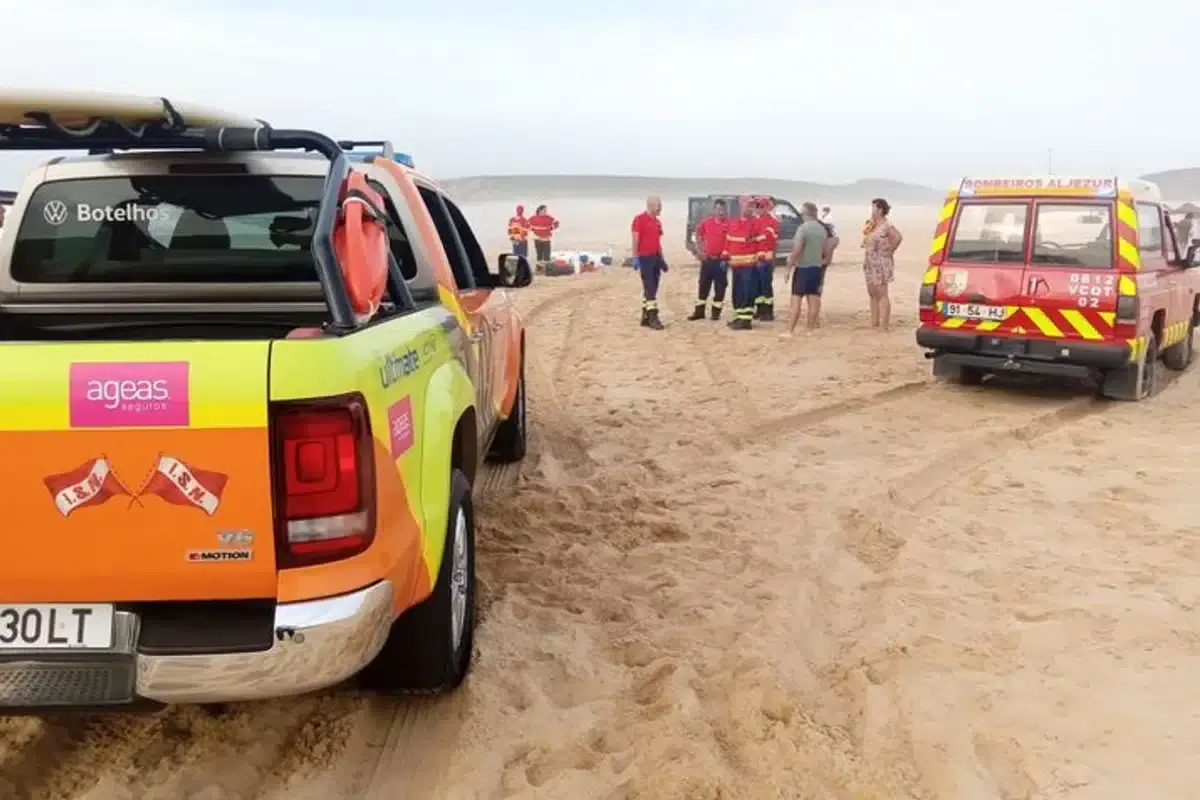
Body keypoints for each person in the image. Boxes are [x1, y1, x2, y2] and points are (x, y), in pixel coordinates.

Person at [782, 202, 829, 337]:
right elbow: (826, 251)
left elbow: (797, 250)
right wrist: (822, 261)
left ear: (806, 214)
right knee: (813, 299)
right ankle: (810, 329)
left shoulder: (803, 229)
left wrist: (789, 266)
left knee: (796, 300)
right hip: (816, 268)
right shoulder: (822, 229)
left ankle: (790, 331)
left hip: (803, 268)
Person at [863, 197, 902, 331]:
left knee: (882, 293)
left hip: (881, 263)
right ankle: (874, 323)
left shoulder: (886, 225)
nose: (871, 210)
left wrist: (890, 251)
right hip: (870, 262)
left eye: (874, 208)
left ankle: (884, 325)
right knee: (872, 292)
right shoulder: (872, 225)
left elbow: (897, 237)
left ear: (880, 210)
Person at [724, 196, 762, 330]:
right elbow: (728, 240)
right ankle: (739, 317)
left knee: (748, 292)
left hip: (749, 265)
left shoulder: (757, 223)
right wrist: (725, 254)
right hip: (736, 265)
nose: (750, 208)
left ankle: (746, 321)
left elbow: (762, 242)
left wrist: (760, 256)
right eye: (748, 205)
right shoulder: (733, 222)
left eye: (752, 206)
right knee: (737, 292)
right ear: (741, 206)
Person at [688, 198, 729, 320]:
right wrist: (699, 252)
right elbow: (698, 235)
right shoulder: (707, 222)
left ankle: (715, 314)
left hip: (721, 261)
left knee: (720, 287)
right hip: (707, 260)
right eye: (718, 209)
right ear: (714, 210)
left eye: (722, 209)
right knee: (703, 286)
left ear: (725, 210)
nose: (720, 212)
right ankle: (699, 312)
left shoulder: (729, 224)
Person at [631, 196, 668, 330]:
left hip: (655, 257)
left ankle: (645, 316)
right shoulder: (639, 219)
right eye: (659, 205)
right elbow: (635, 239)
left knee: (653, 288)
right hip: (645, 258)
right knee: (650, 288)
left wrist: (662, 259)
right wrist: (635, 257)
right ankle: (653, 317)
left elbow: (658, 243)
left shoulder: (657, 222)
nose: (661, 208)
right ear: (651, 205)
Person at [754, 196, 780, 321]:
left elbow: (768, 239)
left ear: (766, 207)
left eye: (760, 206)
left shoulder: (771, 221)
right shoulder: (757, 220)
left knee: (766, 286)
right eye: (757, 206)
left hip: (766, 258)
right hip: (757, 258)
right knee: (757, 286)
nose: (758, 209)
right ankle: (760, 310)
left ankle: (768, 312)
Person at [528, 204, 559, 273]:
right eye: (543, 210)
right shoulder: (533, 218)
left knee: (547, 254)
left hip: (546, 238)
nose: (545, 211)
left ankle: (547, 269)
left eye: (545, 210)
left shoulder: (549, 217)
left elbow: (556, 223)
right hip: (537, 238)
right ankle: (539, 269)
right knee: (539, 254)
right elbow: (528, 225)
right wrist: (532, 230)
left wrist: (552, 228)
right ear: (539, 210)